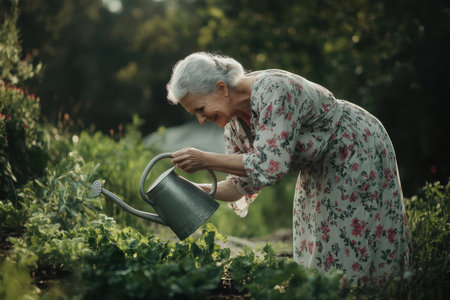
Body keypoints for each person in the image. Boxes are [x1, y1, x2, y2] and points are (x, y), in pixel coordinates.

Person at [166, 52, 412, 285]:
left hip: (354, 148)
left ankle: (378, 292)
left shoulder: (273, 91)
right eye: (194, 114)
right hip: (318, 165)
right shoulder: (234, 127)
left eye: (200, 109)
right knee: (321, 244)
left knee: (354, 240)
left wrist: (205, 159)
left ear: (221, 88)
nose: (200, 119)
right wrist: (188, 188)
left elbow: (271, 165)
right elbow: (239, 187)